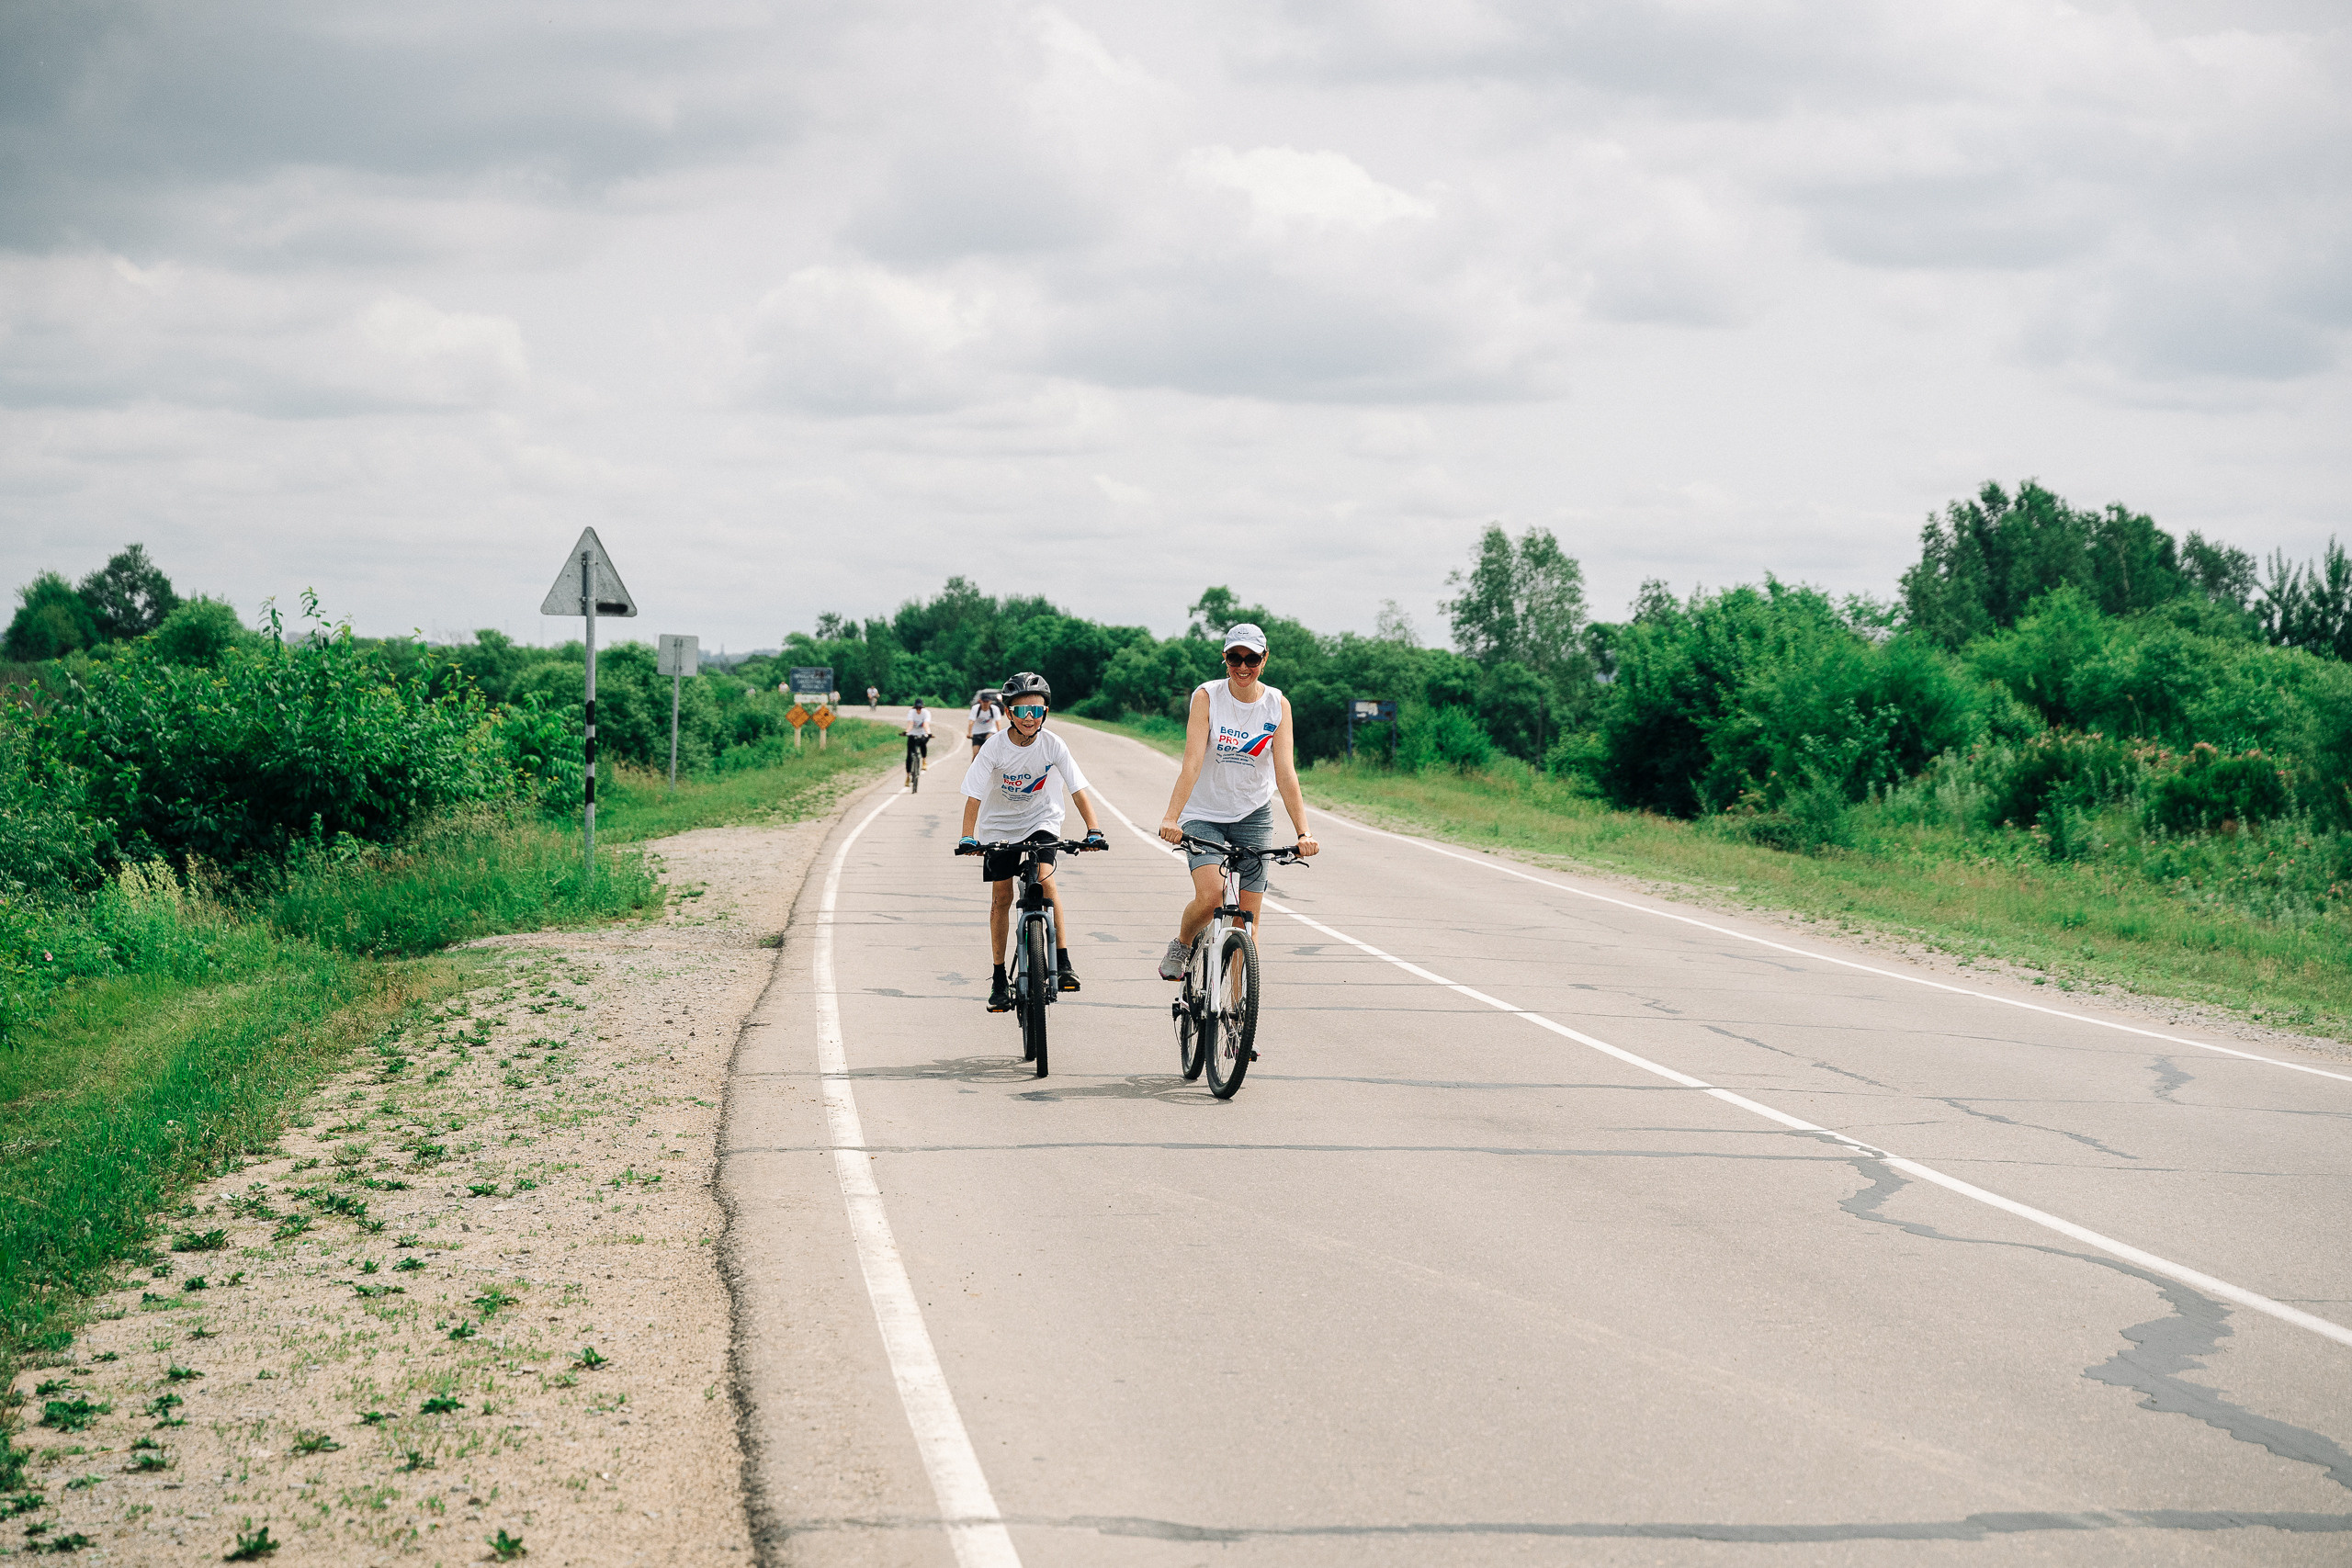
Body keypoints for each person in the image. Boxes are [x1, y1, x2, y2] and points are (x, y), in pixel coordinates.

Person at [1156, 623, 1318, 980]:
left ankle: (1234, 1013)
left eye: (1252, 659)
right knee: (1212, 896)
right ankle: (1183, 943)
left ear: (1265, 658)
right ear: (1224, 658)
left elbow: (1285, 773)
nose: (1243, 667)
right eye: (1234, 658)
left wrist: (1304, 832)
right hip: (1205, 814)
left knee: (1249, 922)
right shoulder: (1207, 697)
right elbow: (1193, 763)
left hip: (1253, 814)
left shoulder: (1277, 704)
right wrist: (1171, 818)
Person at [956, 671, 1107, 1011]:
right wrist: (968, 836)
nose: (1028, 717)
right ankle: (998, 978)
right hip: (998, 828)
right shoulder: (994, 747)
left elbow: (1077, 788)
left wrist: (1094, 829)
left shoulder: (1053, 744)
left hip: (1042, 820)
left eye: (1036, 711)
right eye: (1021, 711)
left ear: (1045, 713)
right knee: (1002, 897)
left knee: (1046, 880)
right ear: (1007, 713)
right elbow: (973, 795)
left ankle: (1063, 961)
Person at [902, 699, 932, 784]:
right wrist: (907, 731)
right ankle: (908, 775)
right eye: (917, 708)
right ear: (915, 707)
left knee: (923, 743)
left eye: (920, 708)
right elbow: (910, 723)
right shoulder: (911, 712)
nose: (918, 710)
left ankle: (924, 761)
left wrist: (928, 733)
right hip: (912, 733)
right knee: (909, 756)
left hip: (923, 732)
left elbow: (926, 724)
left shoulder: (926, 713)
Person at [967, 687, 1001, 756]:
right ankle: (974, 766)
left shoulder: (995, 709)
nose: (985, 703)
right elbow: (971, 722)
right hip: (977, 732)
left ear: (990, 701)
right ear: (980, 701)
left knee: (988, 749)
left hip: (990, 731)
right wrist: (969, 733)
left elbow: (998, 723)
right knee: (976, 754)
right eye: (984, 701)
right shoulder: (975, 709)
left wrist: (999, 734)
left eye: (987, 701)